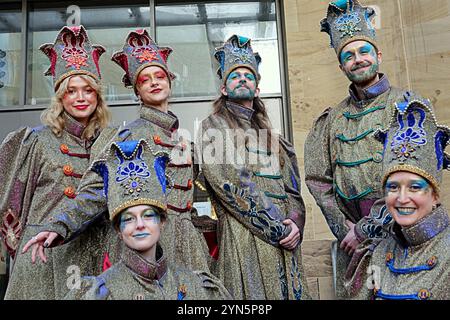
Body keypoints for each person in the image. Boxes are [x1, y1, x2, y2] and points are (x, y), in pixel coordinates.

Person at [22, 29, 211, 272]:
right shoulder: (129, 136)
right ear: (136, 91)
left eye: (159, 76)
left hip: (189, 247)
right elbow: (96, 189)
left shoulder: (182, 141)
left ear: (170, 82)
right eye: (145, 80)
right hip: (151, 244)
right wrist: (61, 224)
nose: (154, 82)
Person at [304, 0, 432, 297]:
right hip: (354, 248)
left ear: (378, 55)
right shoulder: (330, 120)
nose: (357, 59)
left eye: (364, 51)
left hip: (406, 240)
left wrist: (367, 227)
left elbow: (417, 178)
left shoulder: (409, 106)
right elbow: (318, 181)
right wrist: (345, 227)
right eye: (348, 55)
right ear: (341, 66)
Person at [0, 25, 118, 299]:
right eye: (71, 91)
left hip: (94, 250)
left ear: (97, 96)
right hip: (43, 256)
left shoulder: (109, 142)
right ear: (60, 97)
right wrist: (18, 243)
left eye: (87, 90)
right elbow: (11, 202)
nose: (80, 98)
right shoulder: (35, 140)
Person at [196, 35, 310, 300]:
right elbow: (232, 182)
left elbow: (292, 189)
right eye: (235, 76)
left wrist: (294, 224)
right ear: (224, 89)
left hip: (286, 245)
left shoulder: (277, 140)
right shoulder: (213, 128)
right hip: (243, 239)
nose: (243, 79)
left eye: (249, 75)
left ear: (257, 89)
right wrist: (276, 228)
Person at [64, 140, 230, 300]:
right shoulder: (99, 293)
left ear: (162, 222)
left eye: (148, 215)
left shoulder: (196, 286)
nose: (140, 225)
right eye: (129, 219)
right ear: (118, 230)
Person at [344, 98, 449, 300]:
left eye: (415, 187)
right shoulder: (378, 254)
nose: (402, 198)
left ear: (435, 195)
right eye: (393, 187)